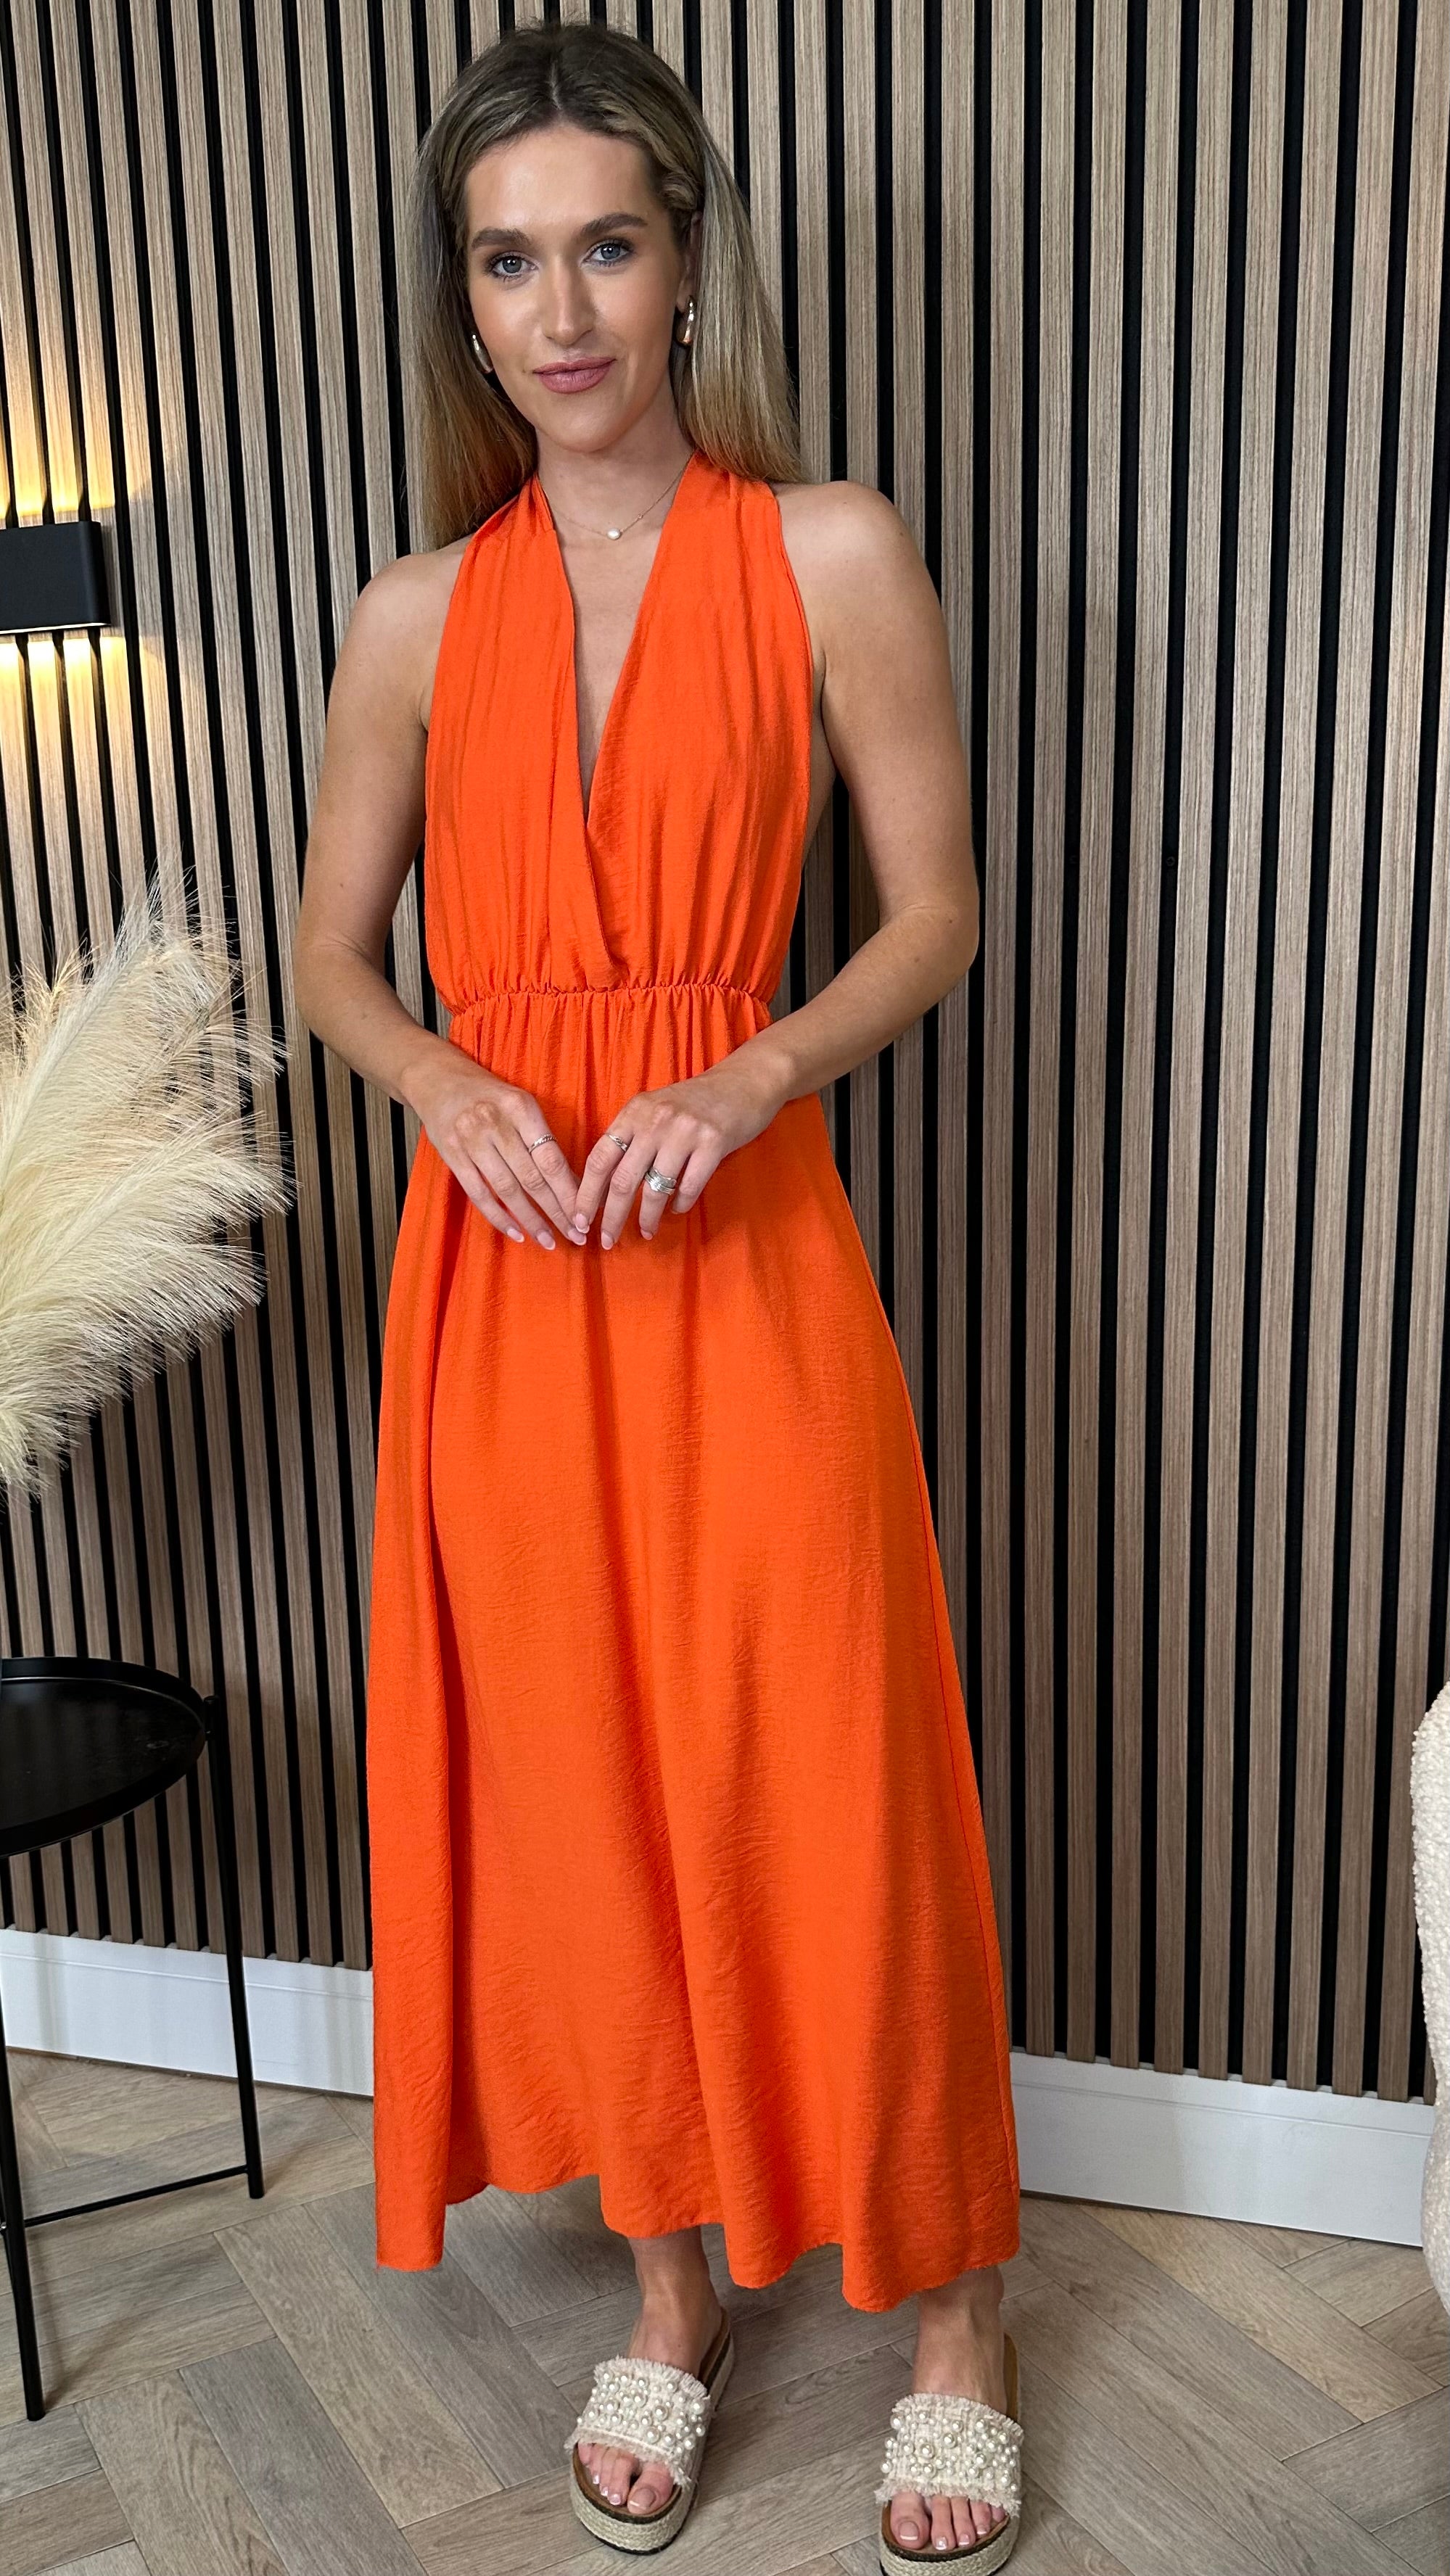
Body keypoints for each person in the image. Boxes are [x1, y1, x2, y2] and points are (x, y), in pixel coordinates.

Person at [294, 20, 1022, 2567]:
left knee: (832, 1761)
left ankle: (954, 2304)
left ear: (688, 259)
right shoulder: (413, 613)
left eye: (607, 244)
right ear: (464, 304)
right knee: (583, 1785)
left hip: (744, 1244)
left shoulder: (830, 549)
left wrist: (756, 1066)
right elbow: (331, 950)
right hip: (501, 1280)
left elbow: (935, 910)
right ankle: (673, 2282)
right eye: (511, 262)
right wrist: (435, 1079)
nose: (564, 308)